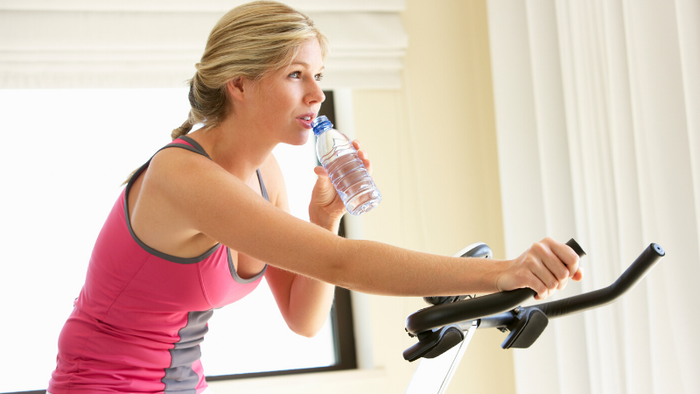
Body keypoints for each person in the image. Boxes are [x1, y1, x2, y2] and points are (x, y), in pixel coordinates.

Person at [47, 1, 583, 392]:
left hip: (179, 384)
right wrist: (504, 273)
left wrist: (323, 218)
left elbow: (303, 320)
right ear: (239, 82)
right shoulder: (182, 176)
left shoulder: (267, 175)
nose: (316, 93)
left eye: (319, 75)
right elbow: (342, 265)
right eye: (296, 74)